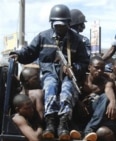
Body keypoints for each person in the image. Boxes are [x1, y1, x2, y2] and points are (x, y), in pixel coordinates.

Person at [9, 4, 89, 141]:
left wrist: (73, 68)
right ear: (52, 23)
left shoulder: (77, 40)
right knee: (50, 87)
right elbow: (30, 52)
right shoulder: (43, 37)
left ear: (69, 24)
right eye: (57, 25)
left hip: (68, 76)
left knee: (66, 89)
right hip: (49, 73)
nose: (60, 28)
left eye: (63, 25)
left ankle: (63, 124)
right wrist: (18, 55)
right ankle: (50, 123)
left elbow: (84, 62)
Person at [81, 56, 116, 141]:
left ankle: (89, 130)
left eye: (102, 68)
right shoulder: (82, 78)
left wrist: (113, 101)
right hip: (81, 109)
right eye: (97, 68)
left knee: (105, 97)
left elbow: (108, 89)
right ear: (89, 67)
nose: (100, 71)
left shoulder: (106, 81)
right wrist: (79, 102)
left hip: (96, 111)